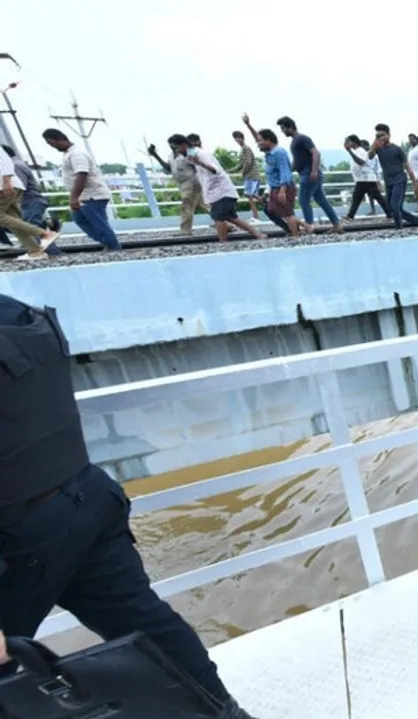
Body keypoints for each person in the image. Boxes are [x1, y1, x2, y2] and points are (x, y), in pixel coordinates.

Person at [0, 294, 258, 719]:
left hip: (18, 537)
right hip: (85, 502)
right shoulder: (13, 310)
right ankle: (224, 713)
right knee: (147, 625)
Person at [168, 134, 264, 243]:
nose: (176, 151)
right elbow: (192, 156)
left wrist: (198, 162)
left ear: (184, 144)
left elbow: (215, 170)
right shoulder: (192, 154)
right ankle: (258, 235)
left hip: (221, 191)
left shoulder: (202, 154)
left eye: (177, 148)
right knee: (231, 218)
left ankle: (223, 243)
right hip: (215, 192)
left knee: (218, 218)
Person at [41, 129, 121, 250]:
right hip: (85, 196)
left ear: (61, 138)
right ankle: (108, 242)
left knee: (98, 223)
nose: (52, 146)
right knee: (80, 219)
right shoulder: (69, 154)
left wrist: (74, 197)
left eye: (52, 143)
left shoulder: (76, 154)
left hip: (92, 195)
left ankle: (113, 247)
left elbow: (82, 174)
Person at [269, 116, 342, 233]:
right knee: (322, 201)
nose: (282, 131)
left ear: (291, 127)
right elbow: (298, 161)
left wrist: (314, 171)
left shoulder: (302, 138)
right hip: (308, 173)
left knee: (303, 200)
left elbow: (316, 153)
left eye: (283, 128)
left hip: (308, 175)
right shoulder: (295, 141)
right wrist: (287, 171)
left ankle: (309, 226)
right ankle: (336, 224)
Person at [0, 146, 59, 259]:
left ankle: (44, 233)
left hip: (5, 187)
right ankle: (35, 251)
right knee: (13, 222)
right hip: (8, 186)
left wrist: (6, 182)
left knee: (4, 218)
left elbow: (5, 160)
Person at [251, 127, 302, 237]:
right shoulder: (270, 154)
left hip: (283, 187)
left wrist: (282, 190)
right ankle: (301, 228)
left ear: (268, 140)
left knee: (287, 214)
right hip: (275, 188)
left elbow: (284, 172)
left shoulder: (278, 153)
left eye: (260, 141)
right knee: (271, 209)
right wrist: (248, 125)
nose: (258, 144)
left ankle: (296, 236)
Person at [147, 139, 206, 235]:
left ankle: (185, 230)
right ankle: (226, 223)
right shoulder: (171, 156)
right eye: (171, 145)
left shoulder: (188, 153)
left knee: (186, 205)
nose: (173, 147)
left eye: (175, 145)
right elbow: (168, 168)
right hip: (182, 183)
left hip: (191, 181)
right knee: (204, 205)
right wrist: (155, 155)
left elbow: (197, 166)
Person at [368, 123, 418, 229]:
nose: (381, 138)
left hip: (399, 179)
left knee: (395, 205)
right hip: (388, 181)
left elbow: (408, 168)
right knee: (393, 208)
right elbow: (370, 156)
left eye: (383, 135)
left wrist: (416, 186)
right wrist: (374, 143)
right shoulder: (378, 148)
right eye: (379, 136)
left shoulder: (397, 149)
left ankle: (398, 228)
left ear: (389, 135)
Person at [343, 135, 390, 221]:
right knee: (358, 198)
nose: (347, 144)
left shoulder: (361, 151)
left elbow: (361, 162)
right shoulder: (357, 151)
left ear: (354, 142)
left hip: (367, 179)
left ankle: (390, 213)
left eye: (348, 142)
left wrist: (349, 152)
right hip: (362, 179)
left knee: (376, 197)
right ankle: (350, 215)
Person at [232, 131, 262, 220]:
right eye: (235, 138)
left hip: (251, 175)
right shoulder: (243, 149)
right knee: (252, 195)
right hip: (250, 176)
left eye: (238, 137)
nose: (237, 139)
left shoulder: (246, 148)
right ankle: (269, 205)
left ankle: (256, 216)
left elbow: (248, 162)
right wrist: (230, 170)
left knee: (249, 195)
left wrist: (243, 172)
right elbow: (241, 164)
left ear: (242, 138)